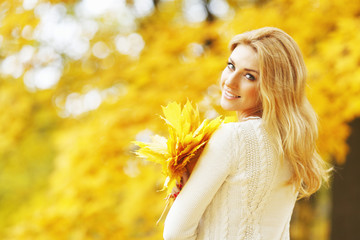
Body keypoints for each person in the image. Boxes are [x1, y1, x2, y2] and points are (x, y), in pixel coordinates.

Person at [163, 27, 330, 240]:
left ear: (273, 87)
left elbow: (174, 234)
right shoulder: (291, 145)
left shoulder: (233, 137)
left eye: (249, 76)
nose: (230, 81)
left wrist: (184, 197)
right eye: (231, 66)